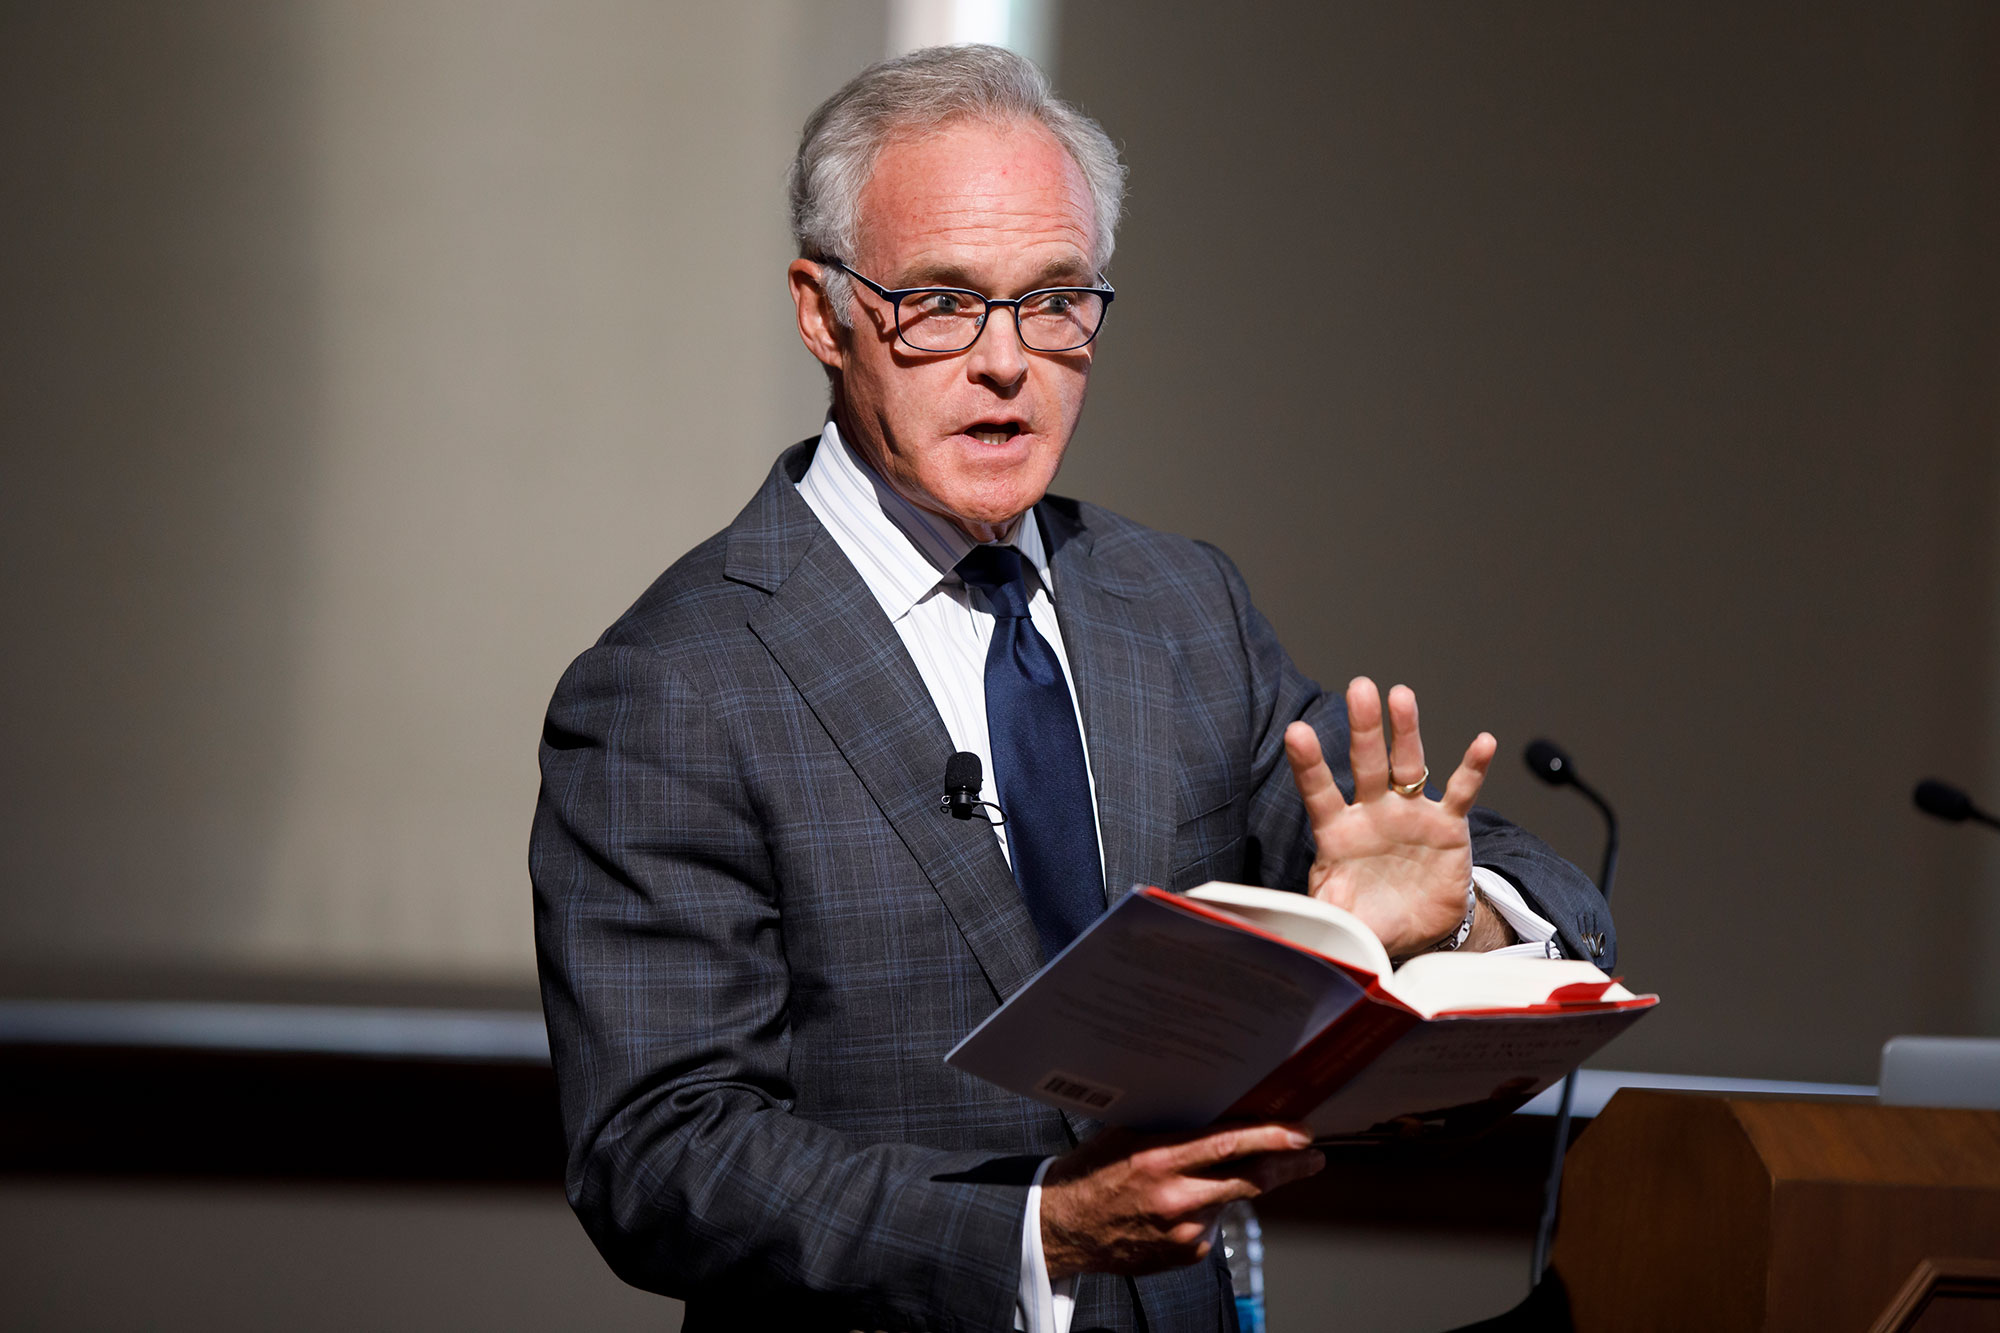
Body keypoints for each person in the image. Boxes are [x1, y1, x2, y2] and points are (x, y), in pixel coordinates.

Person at [530, 44, 1613, 1333]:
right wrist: (1034, 1233)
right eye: (941, 300)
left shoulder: (1175, 606)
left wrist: (1449, 922)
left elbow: (1472, 881)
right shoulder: (673, 683)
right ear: (822, 313)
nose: (1006, 361)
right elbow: (657, 1155)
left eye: (1055, 300)